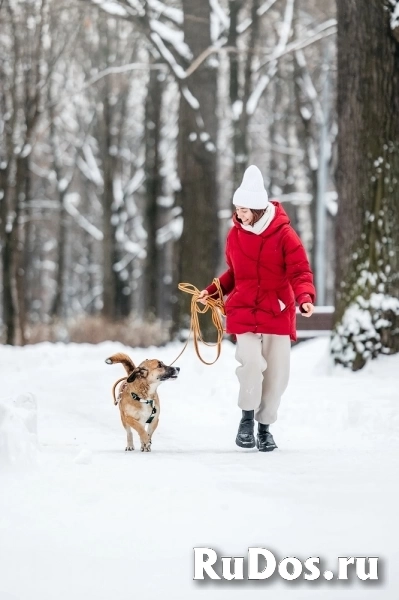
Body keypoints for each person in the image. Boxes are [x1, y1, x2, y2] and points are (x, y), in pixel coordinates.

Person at [198, 165, 315, 452]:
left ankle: (265, 428)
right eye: (237, 209)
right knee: (250, 363)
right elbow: (234, 274)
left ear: (259, 209)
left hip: (277, 310)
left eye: (245, 210)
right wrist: (212, 292)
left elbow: (300, 270)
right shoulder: (235, 235)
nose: (239, 214)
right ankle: (246, 420)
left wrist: (305, 297)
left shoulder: (285, 235)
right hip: (245, 309)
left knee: (277, 374)